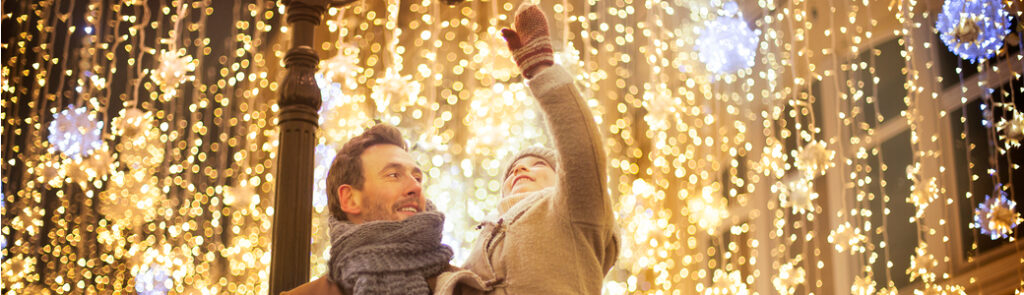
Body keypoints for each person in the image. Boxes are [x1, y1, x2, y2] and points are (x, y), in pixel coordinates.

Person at [454, 4, 620, 294]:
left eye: (539, 165)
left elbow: (582, 153)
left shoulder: (573, 212)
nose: (519, 169)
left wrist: (541, 70)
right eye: (513, 171)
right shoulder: (480, 244)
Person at [283, 124, 486, 295]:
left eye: (417, 178)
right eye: (393, 175)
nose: (416, 187)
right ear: (350, 199)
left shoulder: (466, 289)